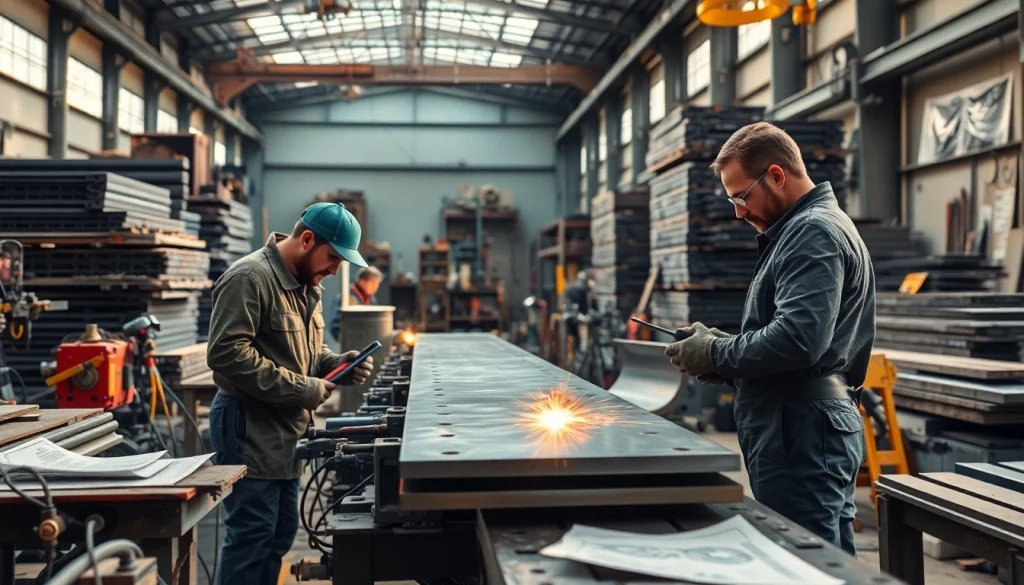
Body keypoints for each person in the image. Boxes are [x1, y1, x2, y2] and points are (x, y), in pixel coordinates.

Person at [663, 122, 872, 556]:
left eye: (742, 197)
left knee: (804, 563)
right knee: (830, 562)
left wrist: (716, 352)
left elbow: (798, 339)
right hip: (804, 426)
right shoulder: (810, 228)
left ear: (776, 175)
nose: (739, 213)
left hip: (799, 430)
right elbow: (799, 337)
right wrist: (721, 354)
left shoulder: (811, 232)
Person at [206, 202, 375, 585]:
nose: (335, 270)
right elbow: (226, 353)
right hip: (250, 427)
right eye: (333, 258)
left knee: (278, 536)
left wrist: (336, 364)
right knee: (252, 538)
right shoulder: (250, 277)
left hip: (287, 432)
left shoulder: (304, 285)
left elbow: (305, 354)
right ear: (307, 239)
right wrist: (302, 388)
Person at [328, 265, 383, 342]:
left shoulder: (372, 299)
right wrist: (347, 341)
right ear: (362, 281)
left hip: (367, 340)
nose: (376, 287)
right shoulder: (345, 298)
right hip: (350, 342)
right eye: (373, 283)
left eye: (377, 284)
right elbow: (335, 327)